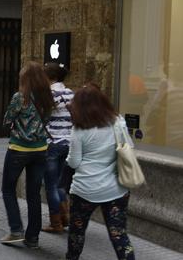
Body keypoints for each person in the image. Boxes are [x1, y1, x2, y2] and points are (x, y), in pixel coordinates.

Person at [65, 84, 134, 260]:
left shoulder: (79, 129)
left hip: (84, 189)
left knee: (77, 234)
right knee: (119, 235)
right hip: (115, 189)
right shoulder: (118, 122)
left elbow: (73, 162)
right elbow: (129, 148)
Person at [0, 61, 54, 249]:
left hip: (19, 150)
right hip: (40, 150)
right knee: (34, 194)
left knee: (8, 189)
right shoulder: (47, 98)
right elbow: (46, 120)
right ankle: (32, 238)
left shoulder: (20, 97)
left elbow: (7, 119)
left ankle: (16, 230)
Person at [42, 62, 74, 233]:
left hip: (53, 142)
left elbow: (42, 117)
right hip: (69, 142)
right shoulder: (70, 93)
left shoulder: (48, 94)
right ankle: (65, 216)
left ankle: (56, 223)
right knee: (61, 183)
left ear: (50, 77)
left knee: (50, 185)